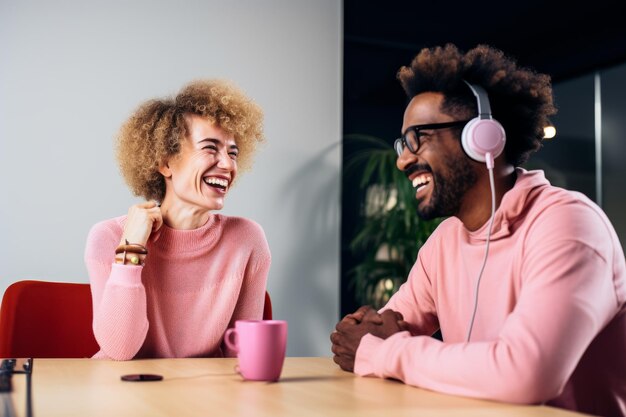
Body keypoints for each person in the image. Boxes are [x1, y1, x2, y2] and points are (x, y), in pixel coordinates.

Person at [331, 44, 626, 417]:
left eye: (416, 138)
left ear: (481, 137)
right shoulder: (444, 242)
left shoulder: (567, 225)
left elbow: (526, 373)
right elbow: (386, 327)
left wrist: (380, 351)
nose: (403, 159)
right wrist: (364, 333)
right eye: (401, 143)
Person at [85, 79, 271, 360]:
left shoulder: (247, 239)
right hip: (123, 394)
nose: (227, 164)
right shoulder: (109, 237)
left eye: (233, 152)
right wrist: (131, 249)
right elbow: (120, 351)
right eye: (210, 148)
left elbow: (244, 358)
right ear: (165, 162)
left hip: (201, 396)